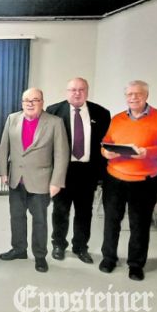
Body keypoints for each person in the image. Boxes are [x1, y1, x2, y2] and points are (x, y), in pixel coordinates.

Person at [99, 80, 157, 281]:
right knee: (111, 221)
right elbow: (106, 142)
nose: (133, 98)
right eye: (129, 94)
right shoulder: (117, 119)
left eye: (138, 94)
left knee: (139, 225)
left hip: (144, 181)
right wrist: (106, 152)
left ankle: (136, 264)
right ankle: (108, 258)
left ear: (146, 96)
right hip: (114, 178)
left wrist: (148, 153)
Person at [0, 88, 69, 273]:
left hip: (41, 181)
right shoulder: (12, 119)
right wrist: (3, 171)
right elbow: (4, 147)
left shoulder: (54, 122)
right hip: (16, 180)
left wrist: (56, 182)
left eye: (34, 100)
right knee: (17, 217)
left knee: (40, 220)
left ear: (42, 102)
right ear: (22, 102)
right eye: (26, 100)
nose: (30, 103)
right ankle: (19, 249)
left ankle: (40, 256)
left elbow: (61, 155)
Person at [45, 78, 111, 264]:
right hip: (62, 170)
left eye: (81, 89)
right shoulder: (53, 111)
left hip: (87, 172)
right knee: (60, 210)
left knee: (84, 212)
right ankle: (58, 244)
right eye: (73, 89)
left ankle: (80, 246)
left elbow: (106, 143)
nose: (77, 93)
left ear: (87, 92)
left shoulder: (101, 113)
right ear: (67, 92)